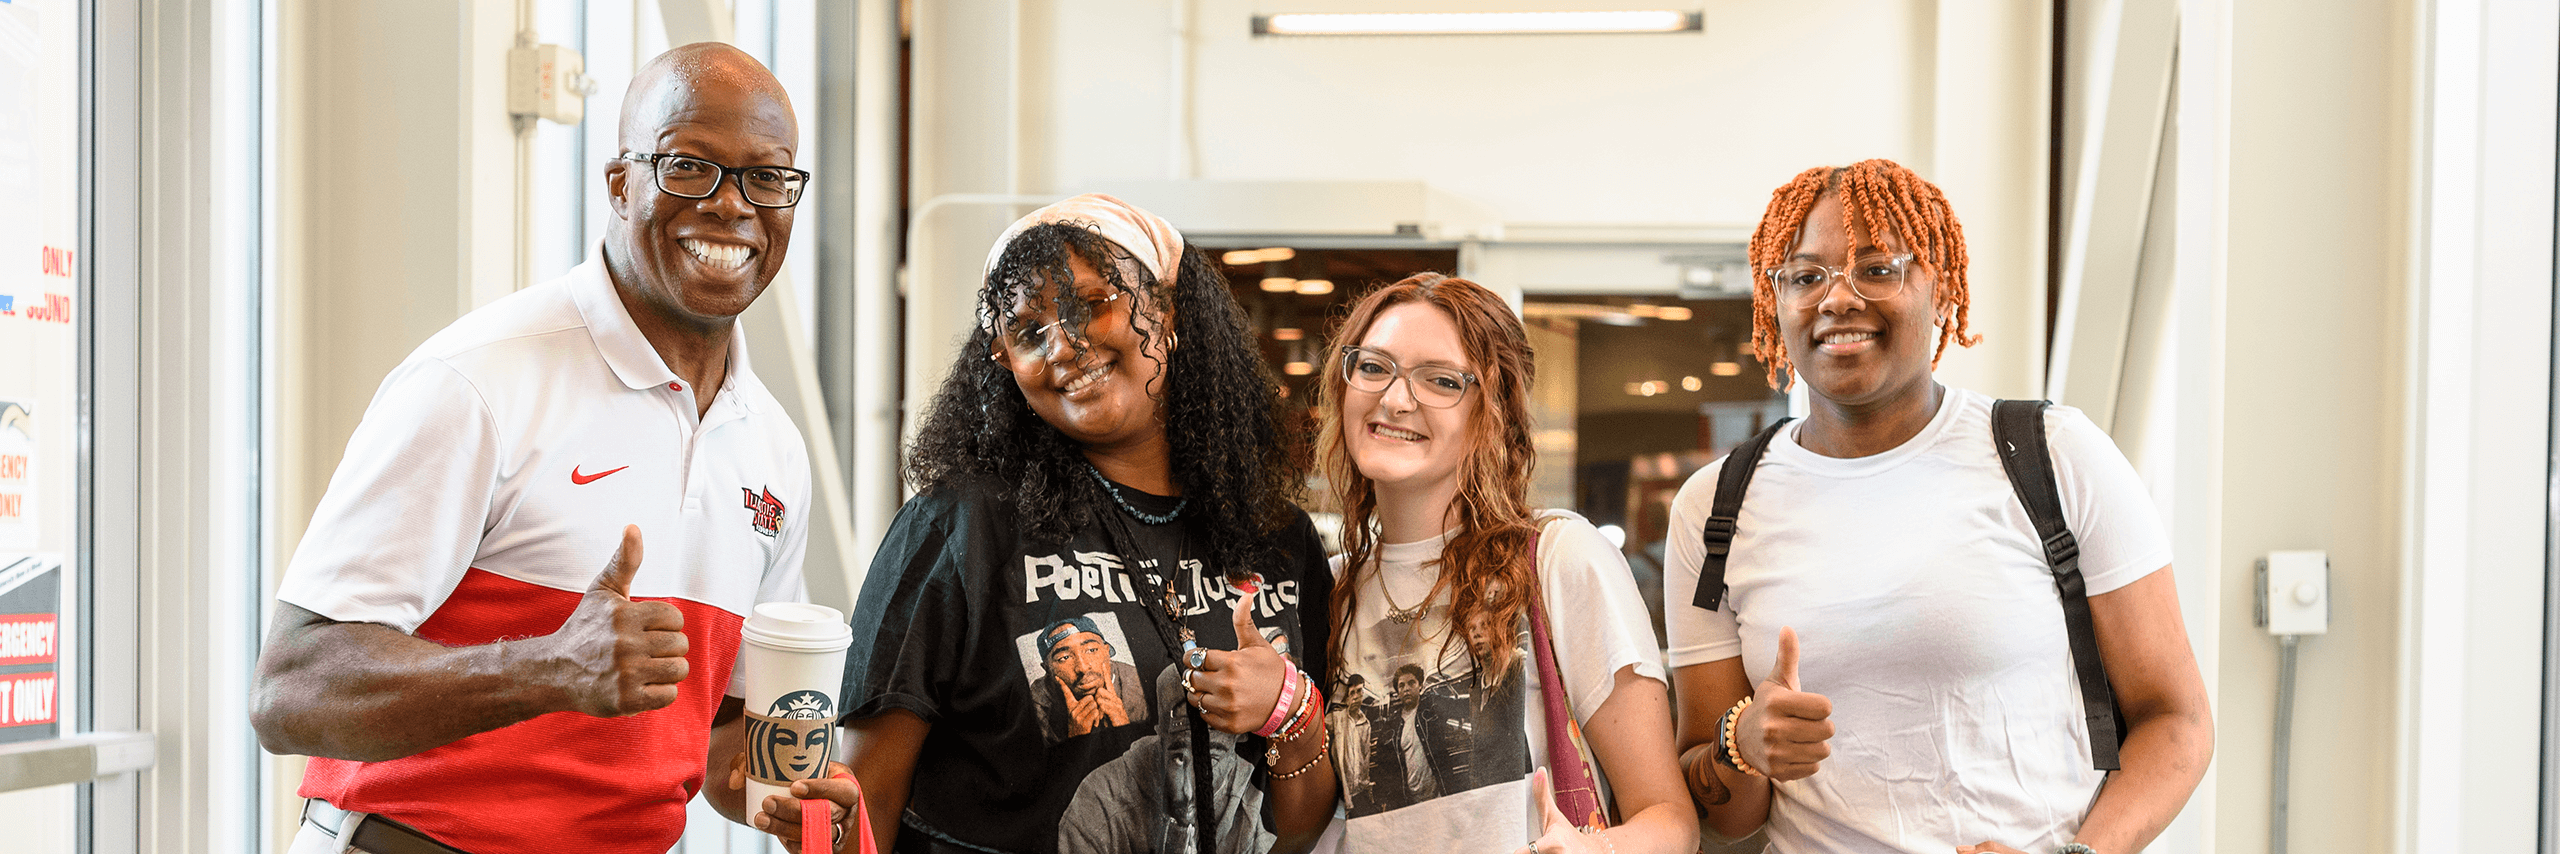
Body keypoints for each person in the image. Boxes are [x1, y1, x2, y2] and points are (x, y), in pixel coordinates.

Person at [249, 43, 815, 854]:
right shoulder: (479, 381)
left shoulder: (774, 449)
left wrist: (780, 789)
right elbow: (290, 690)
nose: (732, 207)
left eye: (766, 177)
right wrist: (550, 667)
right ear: (621, 185)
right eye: (690, 166)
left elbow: (720, 734)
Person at [749, 194, 1338, 854]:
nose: (1066, 345)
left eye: (1092, 305)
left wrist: (1294, 712)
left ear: (1167, 312)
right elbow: (866, 803)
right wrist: (823, 829)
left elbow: (1300, 829)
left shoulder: (1277, 540)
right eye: (1029, 332)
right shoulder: (959, 530)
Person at [1664, 159, 2214, 854]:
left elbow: (2178, 720)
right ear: (1774, 302)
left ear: (1942, 287)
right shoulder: (1714, 507)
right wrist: (1741, 742)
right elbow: (1725, 813)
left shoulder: (2052, 455)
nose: (1838, 298)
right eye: (1806, 276)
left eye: (1878, 269)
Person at [1316, 274, 1695, 854]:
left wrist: (1597, 850)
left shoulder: (1558, 559)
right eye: (1373, 367)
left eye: (1440, 381)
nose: (1395, 398)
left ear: (1493, 412)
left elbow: (1670, 818)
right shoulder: (1334, 585)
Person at [1032, 615, 1152, 740]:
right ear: (1047, 669)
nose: (1083, 668)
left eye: (1091, 650)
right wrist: (1076, 740)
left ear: (1107, 651)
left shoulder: (1137, 682)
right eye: (1064, 658)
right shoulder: (1037, 703)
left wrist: (1124, 729)